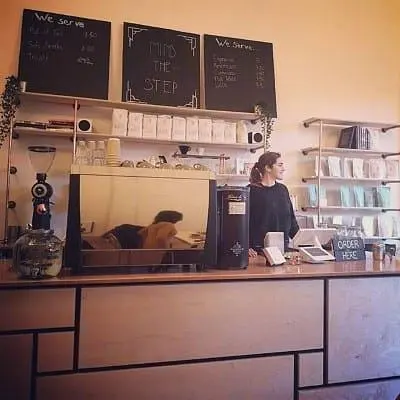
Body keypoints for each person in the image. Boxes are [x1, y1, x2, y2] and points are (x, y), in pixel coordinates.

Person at [248, 151, 299, 257]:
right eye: (280, 165)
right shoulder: (250, 190)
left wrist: (304, 243)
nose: (283, 169)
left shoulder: (283, 190)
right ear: (268, 168)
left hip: (282, 251)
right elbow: (242, 224)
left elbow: (292, 220)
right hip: (258, 254)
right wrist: (246, 247)